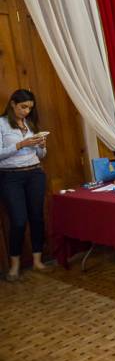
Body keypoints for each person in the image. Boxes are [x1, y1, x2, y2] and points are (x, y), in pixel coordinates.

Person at [0, 89, 50, 281]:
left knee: (37, 218)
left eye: (29, 108)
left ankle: (37, 261)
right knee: (19, 221)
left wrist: (41, 146)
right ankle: (15, 266)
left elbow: (40, 155)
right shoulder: (1, 123)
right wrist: (21, 144)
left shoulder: (30, 123)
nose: (26, 111)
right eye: (23, 107)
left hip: (35, 173)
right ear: (13, 104)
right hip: (11, 177)